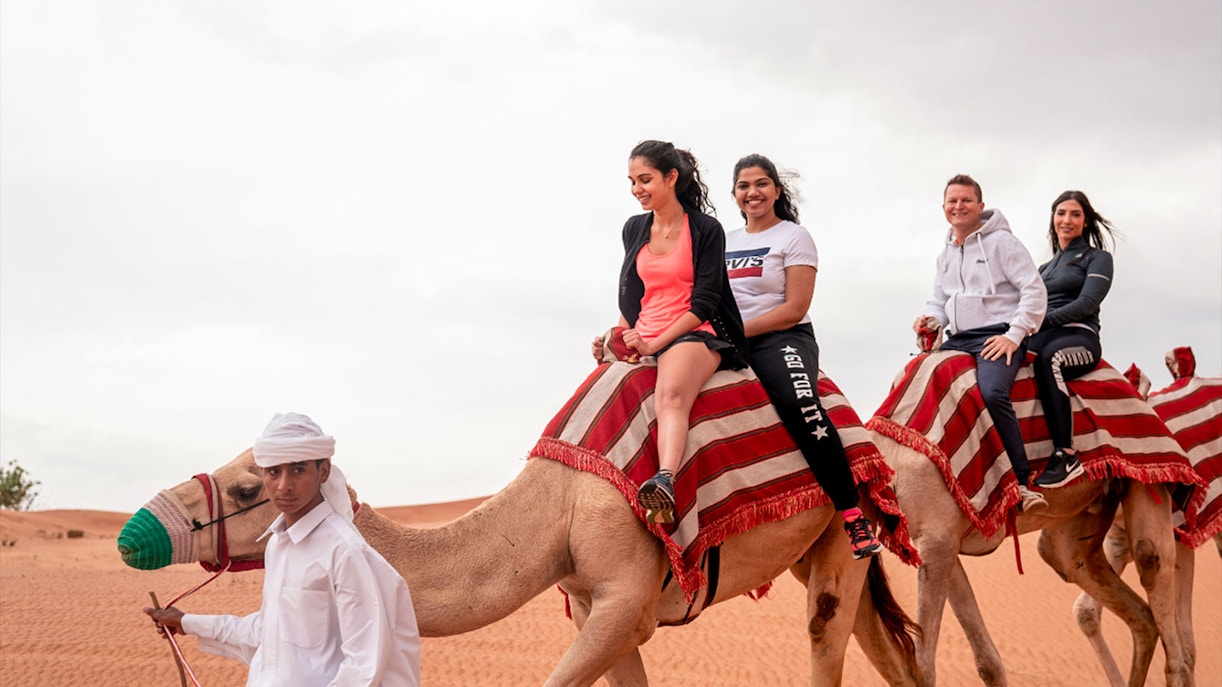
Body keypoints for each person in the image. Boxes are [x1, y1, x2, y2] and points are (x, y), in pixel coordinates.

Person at [145, 413, 421, 687]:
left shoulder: (344, 551)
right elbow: (267, 633)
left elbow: (363, 667)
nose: (284, 485)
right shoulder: (277, 544)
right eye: (274, 472)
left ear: (322, 471)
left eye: (298, 470)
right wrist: (187, 622)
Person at [724, 154, 882, 559]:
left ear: (776, 190)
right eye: (744, 185)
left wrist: (735, 334)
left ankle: (851, 513)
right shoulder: (726, 240)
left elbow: (793, 307)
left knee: (801, 403)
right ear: (735, 195)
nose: (753, 192)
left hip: (781, 338)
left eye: (761, 184)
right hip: (726, 339)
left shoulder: (794, 237)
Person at [591, 140, 748, 525]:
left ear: (671, 177)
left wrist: (655, 344)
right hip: (643, 332)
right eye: (631, 181)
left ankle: (665, 482)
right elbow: (635, 293)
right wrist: (616, 335)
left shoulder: (706, 230)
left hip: (692, 333)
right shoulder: (634, 228)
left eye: (645, 179)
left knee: (671, 396)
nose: (637, 189)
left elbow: (705, 303)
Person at [913, 175, 1049, 512]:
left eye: (966, 201)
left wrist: (1014, 336)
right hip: (959, 339)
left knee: (991, 393)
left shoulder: (1003, 243)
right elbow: (940, 299)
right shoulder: (946, 252)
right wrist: (930, 320)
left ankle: (1021, 481)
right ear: (944, 207)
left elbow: (1034, 291)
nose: (959, 206)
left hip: (998, 335)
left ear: (981, 206)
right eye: (952, 201)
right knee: (916, 375)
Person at [1029, 191, 1115, 488]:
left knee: (1049, 359)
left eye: (1075, 214)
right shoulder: (1043, 268)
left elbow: (1088, 302)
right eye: (1061, 213)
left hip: (1079, 335)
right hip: (1041, 333)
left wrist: (1041, 323)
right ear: (1053, 219)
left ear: (1086, 221)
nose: (1067, 220)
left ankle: (1065, 452)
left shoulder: (1098, 258)